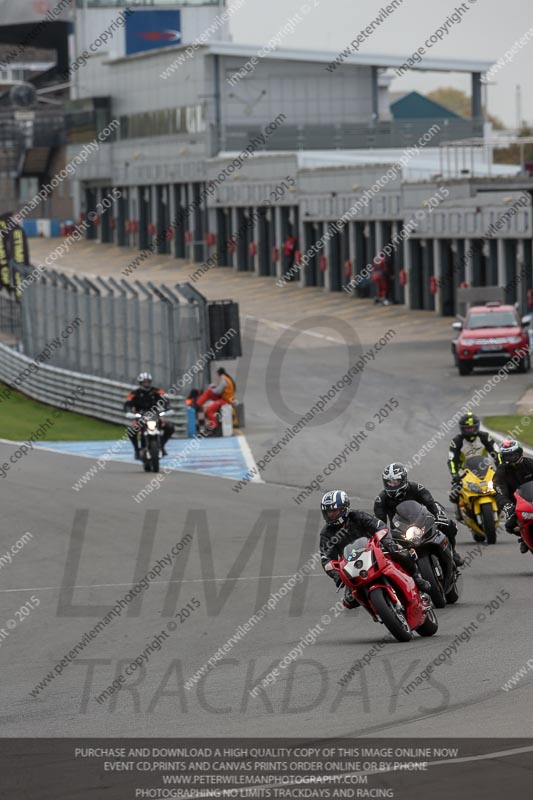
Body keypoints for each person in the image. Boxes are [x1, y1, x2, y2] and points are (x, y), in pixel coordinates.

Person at [319, 490, 431, 610]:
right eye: (328, 511)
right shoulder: (326, 533)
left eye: (334, 511)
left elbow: (380, 526)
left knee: (400, 553)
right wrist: (337, 575)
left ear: (344, 508)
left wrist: (387, 542)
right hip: (352, 564)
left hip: (374, 550)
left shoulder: (358, 516)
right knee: (349, 601)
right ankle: (377, 607)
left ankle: (417, 579)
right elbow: (326, 559)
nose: (331, 515)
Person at [374, 463, 464, 567]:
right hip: (398, 531)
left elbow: (431, 503)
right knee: (390, 556)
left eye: (396, 481)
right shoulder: (381, 500)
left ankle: (453, 552)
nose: (392, 485)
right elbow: (379, 523)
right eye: (389, 482)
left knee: (449, 525)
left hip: (421, 522)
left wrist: (438, 515)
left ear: (403, 479)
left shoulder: (417, 488)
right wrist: (382, 536)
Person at [448, 413, 500, 520]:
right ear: (462, 429)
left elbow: (497, 453)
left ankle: (507, 508)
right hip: (465, 472)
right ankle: (459, 512)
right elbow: (452, 460)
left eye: (472, 428)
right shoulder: (456, 441)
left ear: (477, 427)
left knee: (502, 485)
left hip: (485, 468)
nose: (470, 430)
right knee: (455, 493)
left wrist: (501, 467)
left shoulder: (485, 437)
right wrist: (455, 475)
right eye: (467, 428)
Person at [493, 439, 533, 553]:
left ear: (520, 453)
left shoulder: (530, 464)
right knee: (510, 525)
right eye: (506, 456)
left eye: (512, 455)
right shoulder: (501, 473)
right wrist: (508, 507)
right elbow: (498, 492)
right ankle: (524, 539)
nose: (509, 458)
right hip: (518, 506)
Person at [123, 372, 174, 459]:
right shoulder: (135, 393)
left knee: (170, 427)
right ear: (140, 383)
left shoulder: (157, 391)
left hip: (155, 416)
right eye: (144, 382)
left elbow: (166, 401)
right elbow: (127, 403)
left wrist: (167, 409)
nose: (146, 384)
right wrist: (129, 412)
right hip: (141, 417)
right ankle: (136, 450)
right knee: (131, 431)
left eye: (147, 382)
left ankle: (161, 445)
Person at [194, 367, 236, 433]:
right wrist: (213, 387)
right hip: (225, 398)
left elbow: (218, 391)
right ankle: (198, 404)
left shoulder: (224, 380)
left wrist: (211, 389)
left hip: (225, 400)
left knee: (209, 410)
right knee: (208, 392)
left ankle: (213, 426)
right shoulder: (225, 378)